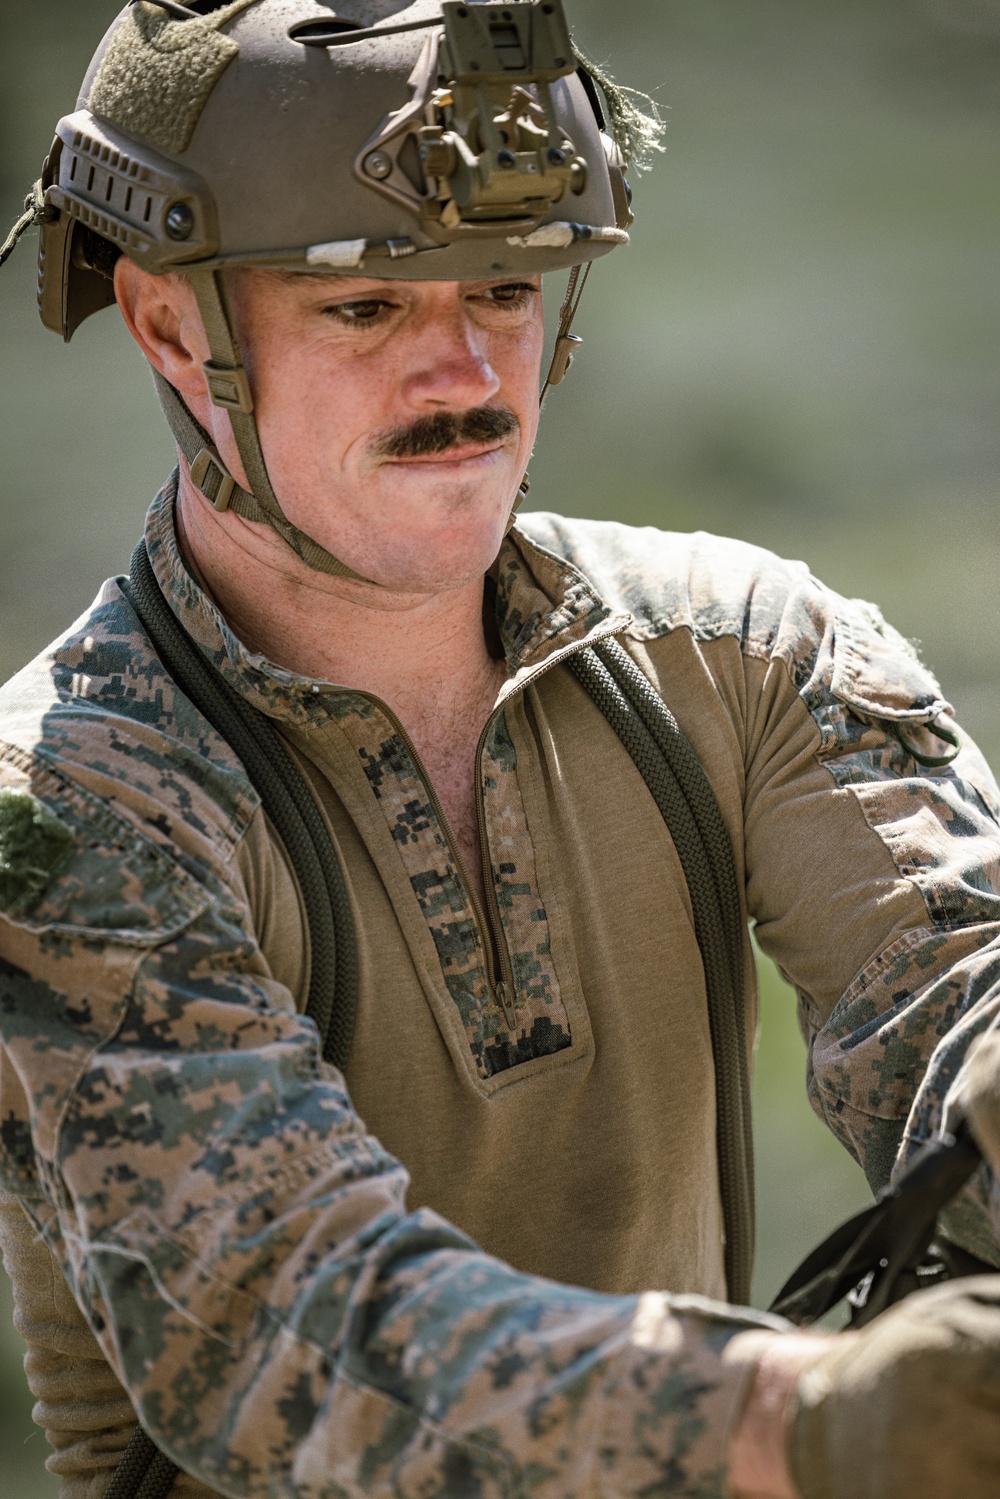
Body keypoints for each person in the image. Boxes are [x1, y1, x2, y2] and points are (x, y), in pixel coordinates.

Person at [1, 3, 1000, 1496]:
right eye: (365, 310)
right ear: (166, 325)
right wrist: (800, 1419)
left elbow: (955, 998)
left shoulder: (746, 651)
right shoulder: (71, 809)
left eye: (506, 292)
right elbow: (295, 1330)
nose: (464, 374)